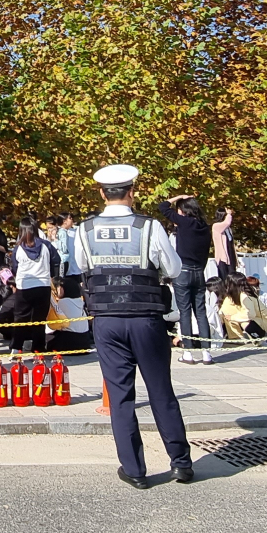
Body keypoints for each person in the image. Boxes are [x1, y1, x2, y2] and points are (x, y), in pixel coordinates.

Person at [73, 163, 193, 489]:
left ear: (101, 192)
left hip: (107, 321)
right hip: (146, 318)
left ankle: (135, 470)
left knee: (120, 396)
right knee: (161, 391)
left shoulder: (84, 230)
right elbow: (174, 267)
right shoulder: (149, 227)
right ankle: (181, 463)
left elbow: (82, 266)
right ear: (132, 191)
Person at [158, 194, 218, 365]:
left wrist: (179, 197)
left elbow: (162, 207)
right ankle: (207, 353)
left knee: (185, 312)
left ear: (183, 211)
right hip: (199, 271)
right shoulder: (205, 227)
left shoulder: (185, 223)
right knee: (201, 312)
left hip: (183, 271)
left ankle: (188, 353)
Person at [2, 220, 56, 354]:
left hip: (24, 286)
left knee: (20, 318)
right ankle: (38, 349)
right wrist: (51, 275)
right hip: (43, 285)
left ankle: (16, 348)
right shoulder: (46, 245)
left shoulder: (18, 248)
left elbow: (14, 267)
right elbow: (56, 261)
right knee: (39, 319)